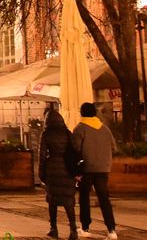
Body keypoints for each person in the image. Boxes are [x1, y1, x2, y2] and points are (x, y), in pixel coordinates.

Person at [72, 102, 118, 240]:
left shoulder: (80, 128)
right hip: (103, 168)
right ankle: (111, 230)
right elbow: (114, 148)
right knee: (104, 199)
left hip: (87, 168)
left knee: (84, 197)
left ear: (81, 113)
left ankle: (85, 228)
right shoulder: (105, 129)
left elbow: (75, 149)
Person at [41, 109, 79, 239]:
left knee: (52, 200)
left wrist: (42, 174)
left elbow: (42, 156)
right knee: (68, 200)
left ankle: (54, 228)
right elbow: (75, 151)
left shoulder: (46, 134)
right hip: (67, 169)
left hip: (52, 169)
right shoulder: (68, 133)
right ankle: (73, 230)